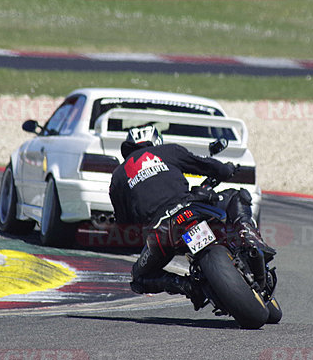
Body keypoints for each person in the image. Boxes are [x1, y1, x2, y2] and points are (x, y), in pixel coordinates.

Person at [109, 124, 274, 309]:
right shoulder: (168, 150)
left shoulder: (117, 177)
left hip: (160, 233)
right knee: (237, 196)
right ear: (156, 141)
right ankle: (247, 236)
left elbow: (123, 225)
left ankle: (186, 286)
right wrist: (226, 169)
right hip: (188, 209)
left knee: (139, 278)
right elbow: (204, 165)